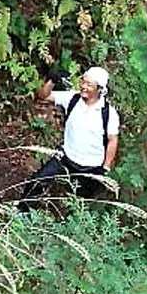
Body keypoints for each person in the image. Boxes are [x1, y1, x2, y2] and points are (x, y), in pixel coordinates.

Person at [20, 66, 120, 205]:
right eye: (83, 82)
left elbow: (112, 141)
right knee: (37, 182)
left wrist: (105, 168)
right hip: (66, 157)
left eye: (89, 85)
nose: (83, 87)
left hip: (91, 166)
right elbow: (44, 96)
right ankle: (22, 213)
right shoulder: (72, 98)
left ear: (100, 89)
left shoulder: (109, 114)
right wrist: (52, 80)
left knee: (81, 203)